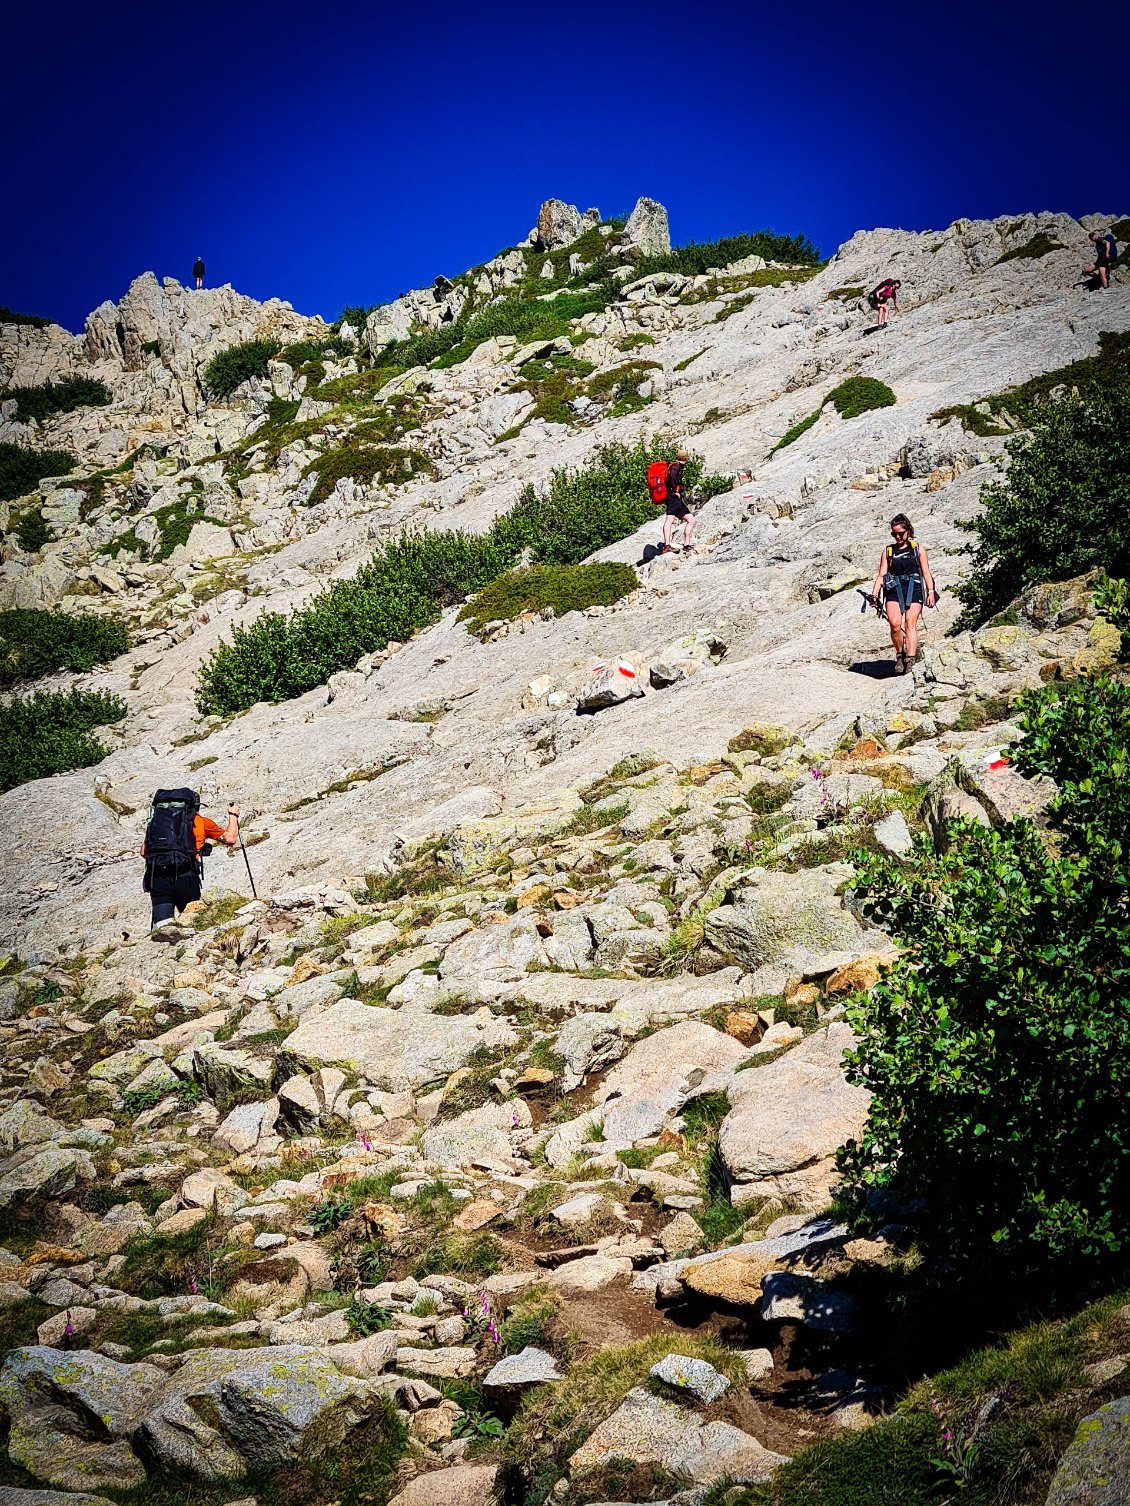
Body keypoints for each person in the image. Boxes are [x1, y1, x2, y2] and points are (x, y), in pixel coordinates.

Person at [141, 791, 240, 928]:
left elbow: (143, 852)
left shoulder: (157, 823)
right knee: (193, 923)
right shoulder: (201, 822)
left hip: (158, 877)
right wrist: (233, 815)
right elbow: (230, 839)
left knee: (162, 926)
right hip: (186, 877)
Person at [870, 514, 936, 674]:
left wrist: (931, 591)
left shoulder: (917, 549)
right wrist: (874, 594)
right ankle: (900, 654)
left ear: (908, 531)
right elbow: (881, 575)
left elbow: (926, 573)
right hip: (894, 588)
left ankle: (909, 661)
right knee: (894, 624)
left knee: (910, 623)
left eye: (901, 533)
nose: (898, 536)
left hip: (914, 587)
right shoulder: (888, 551)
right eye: (894, 534)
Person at [662, 449, 695, 555]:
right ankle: (667, 546)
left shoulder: (675, 465)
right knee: (669, 520)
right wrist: (675, 491)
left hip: (676, 499)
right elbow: (671, 477)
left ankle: (687, 545)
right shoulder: (676, 466)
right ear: (686, 458)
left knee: (690, 519)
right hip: (672, 498)